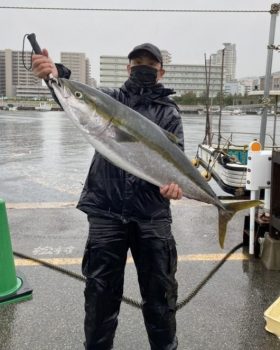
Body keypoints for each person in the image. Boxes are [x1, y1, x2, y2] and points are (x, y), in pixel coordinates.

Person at [32, 43, 184, 350]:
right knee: (100, 298)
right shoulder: (112, 100)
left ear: (161, 71)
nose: (143, 67)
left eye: (150, 64)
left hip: (152, 215)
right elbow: (80, 101)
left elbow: (176, 162)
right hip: (106, 211)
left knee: (160, 298)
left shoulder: (169, 113)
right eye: (137, 62)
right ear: (128, 69)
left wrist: (175, 187)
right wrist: (55, 75)